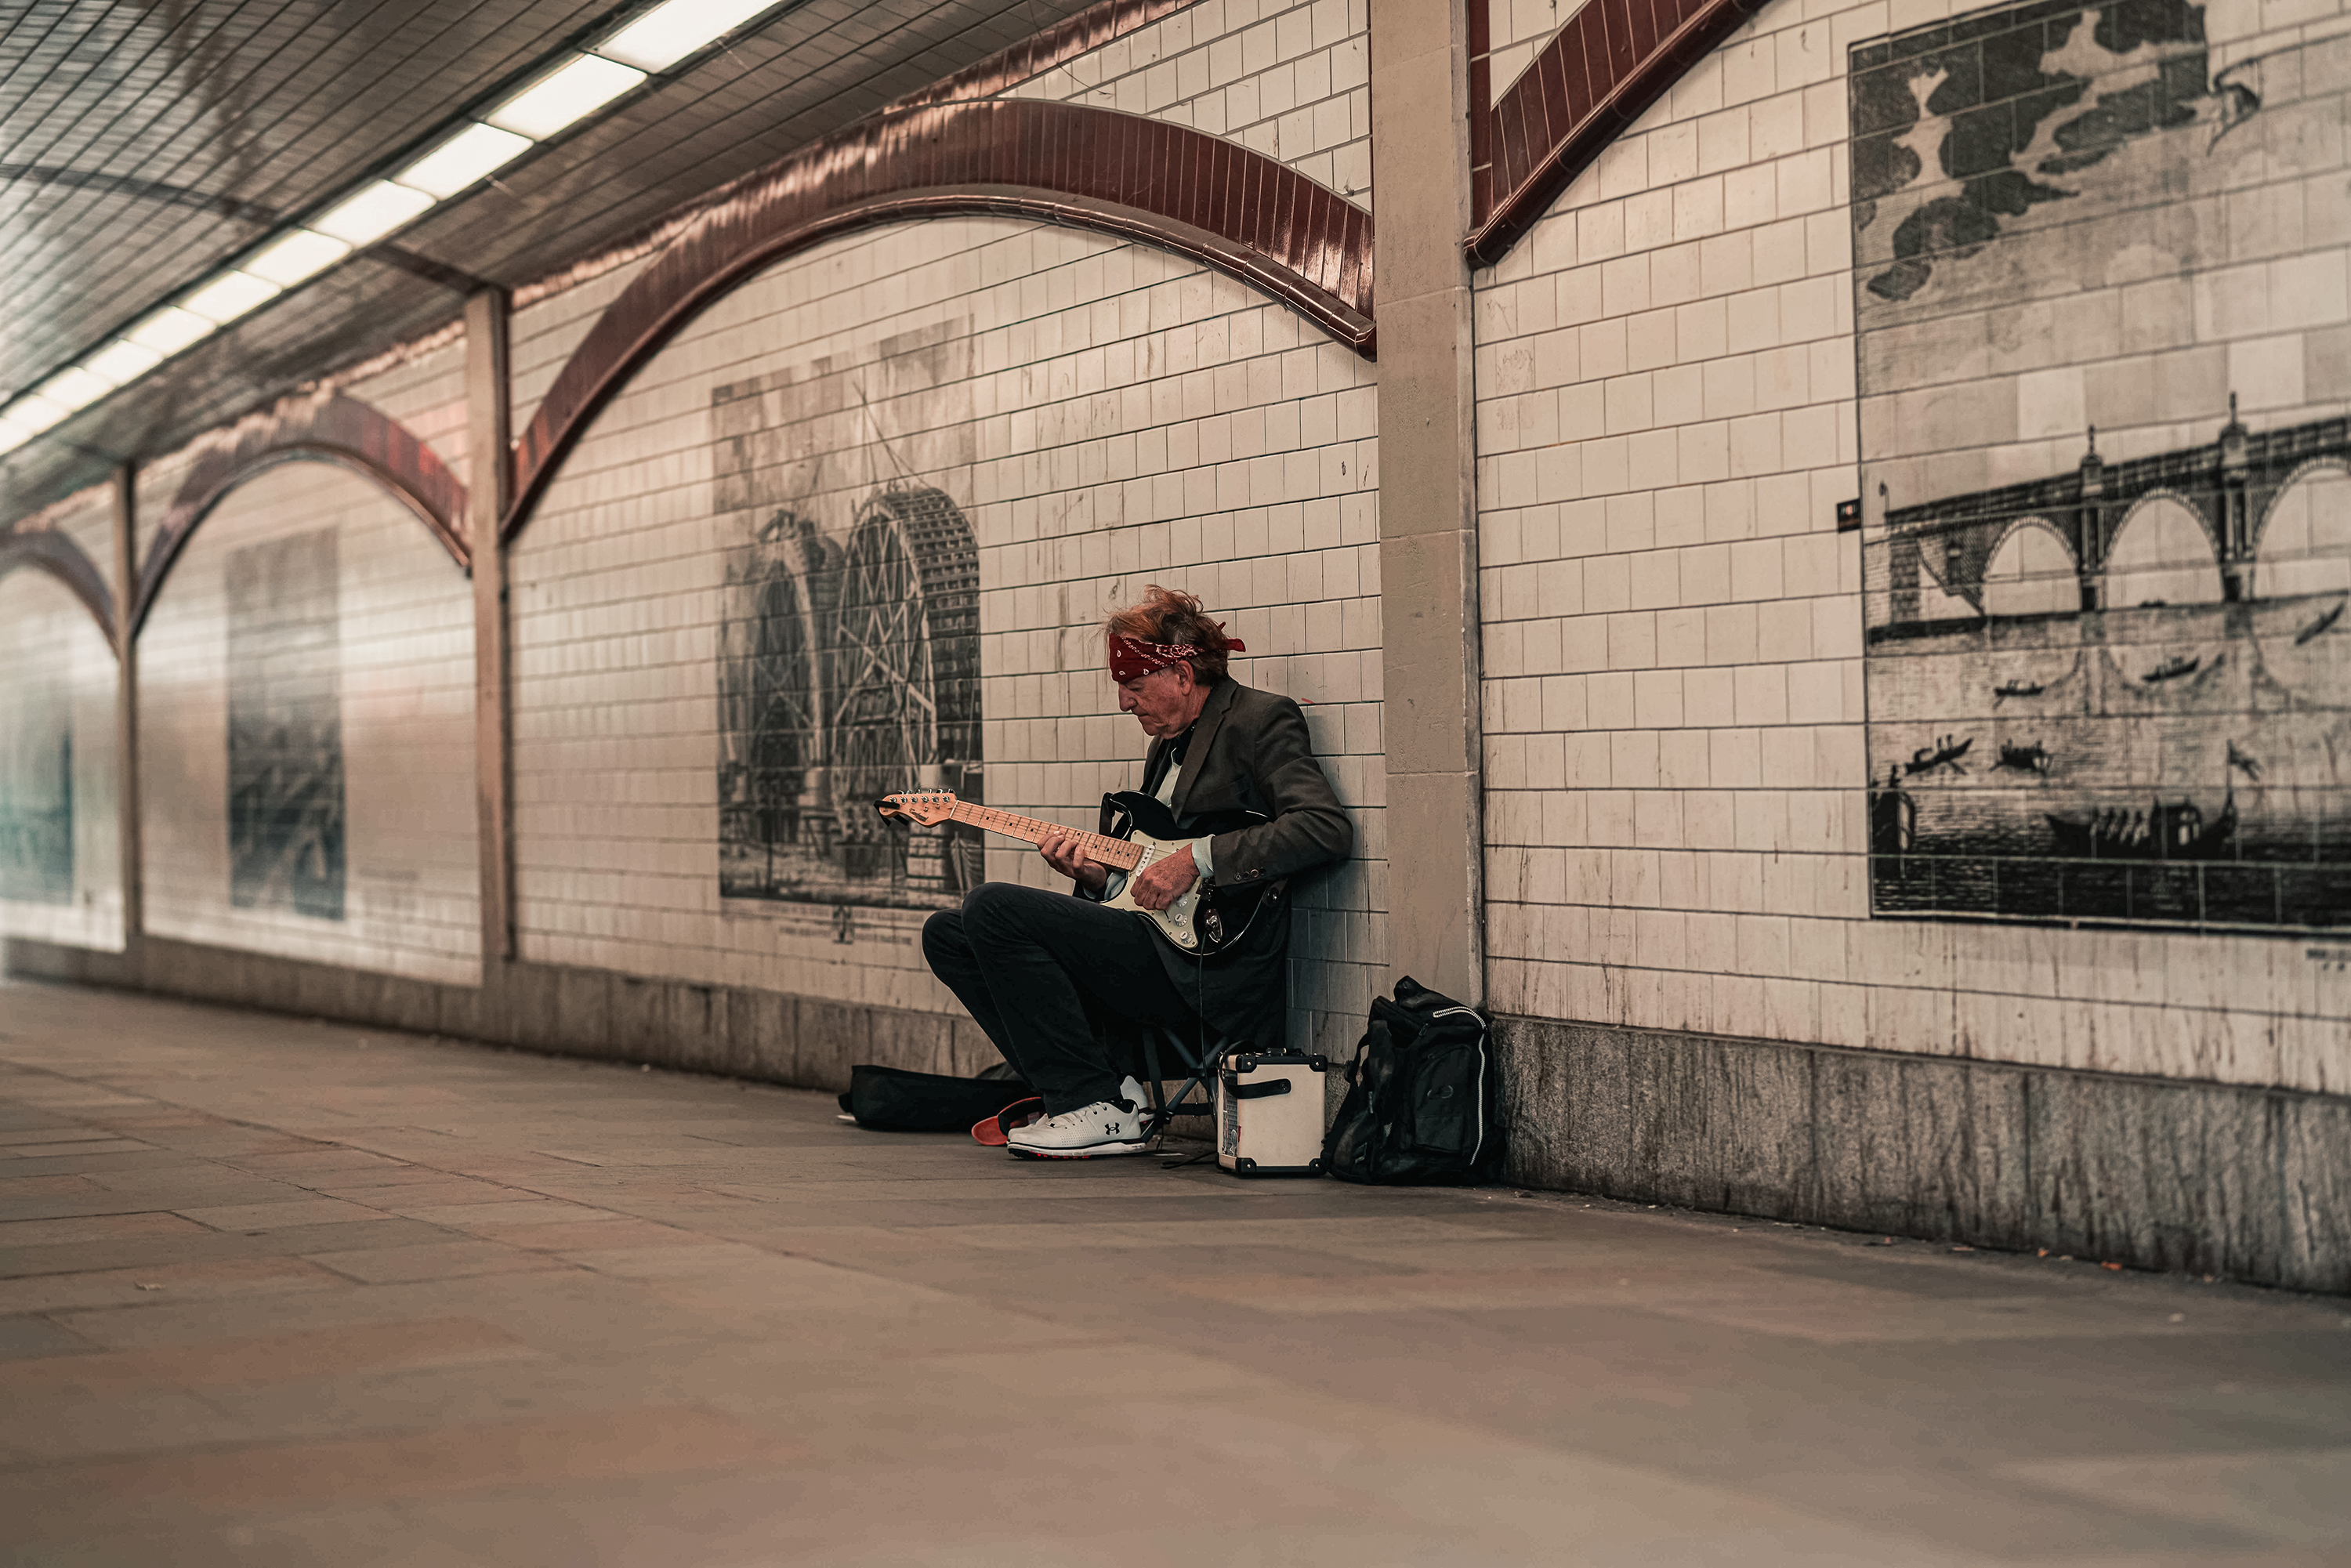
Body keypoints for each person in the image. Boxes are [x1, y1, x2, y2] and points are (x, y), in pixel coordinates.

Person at [921, 585, 1352, 1158]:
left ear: (1181, 674)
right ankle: (1100, 1085)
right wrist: (1101, 880)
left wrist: (1196, 858)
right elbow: (1155, 861)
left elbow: (1323, 827)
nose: (1125, 702)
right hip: (1154, 941)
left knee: (992, 906)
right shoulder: (1167, 747)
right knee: (947, 933)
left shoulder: (1259, 719)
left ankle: (1094, 1102)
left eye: (1134, 685)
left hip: (1208, 963)